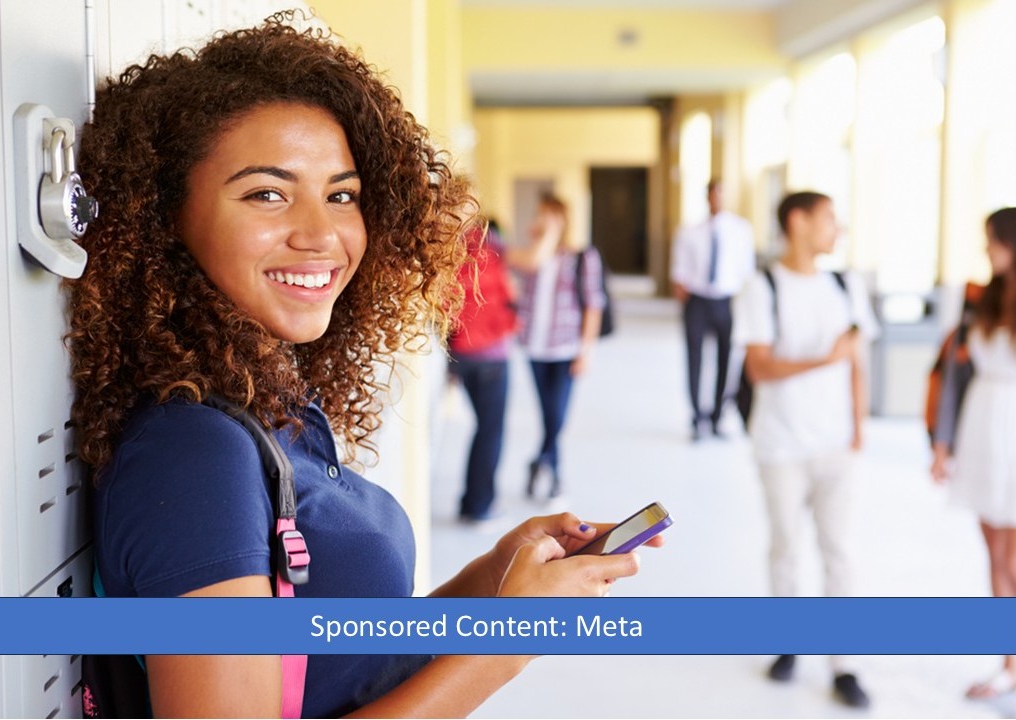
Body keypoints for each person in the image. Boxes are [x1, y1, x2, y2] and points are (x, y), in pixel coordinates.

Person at [66, 14, 658, 718]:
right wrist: (508, 643)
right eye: (267, 193)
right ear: (164, 216)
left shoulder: (265, 402)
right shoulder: (192, 454)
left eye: (341, 195)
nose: (322, 234)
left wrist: (496, 576)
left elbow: (349, 664)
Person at [733, 191, 878, 708]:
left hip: (835, 443)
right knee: (786, 547)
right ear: (797, 222)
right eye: (828, 219)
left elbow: (857, 360)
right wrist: (825, 358)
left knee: (839, 552)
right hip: (780, 445)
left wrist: (858, 426)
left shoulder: (845, 285)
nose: (837, 229)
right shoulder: (762, 286)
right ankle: (788, 643)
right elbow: (759, 367)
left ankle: (844, 663)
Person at [931, 207, 1016, 699]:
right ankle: (1008, 662)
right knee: (995, 554)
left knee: (1013, 557)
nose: (987, 249)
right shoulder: (979, 301)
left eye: (993, 240)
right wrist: (942, 444)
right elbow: (953, 376)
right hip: (982, 427)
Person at [511, 193, 606, 501]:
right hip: (534, 348)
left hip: (566, 349)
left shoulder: (582, 257)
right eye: (540, 214)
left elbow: (593, 306)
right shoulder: (533, 256)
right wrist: (540, 238)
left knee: (556, 416)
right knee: (548, 414)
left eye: (549, 215)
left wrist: (586, 352)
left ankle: (547, 466)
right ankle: (547, 468)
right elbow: (515, 273)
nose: (542, 220)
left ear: (563, 220)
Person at [671, 179, 755, 441]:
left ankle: (717, 416)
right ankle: (697, 417)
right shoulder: (689, 231)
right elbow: (679, 269)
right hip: (697, 299)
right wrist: (681, 290)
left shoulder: (741, 230)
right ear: (706, 197)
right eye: (713, 194)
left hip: (726, 300)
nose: (717, 198)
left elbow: (747, 270)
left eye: (722, 194)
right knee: (694, 358)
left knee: (725, 359)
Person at [448, 218, 518, 523]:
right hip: (492, 355)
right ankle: (480, 504)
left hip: (463, 354)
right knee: (490, 430)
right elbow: (510, 297)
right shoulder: (495, 255)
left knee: (482, 427)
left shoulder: (453, 256)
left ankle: (471, 500)